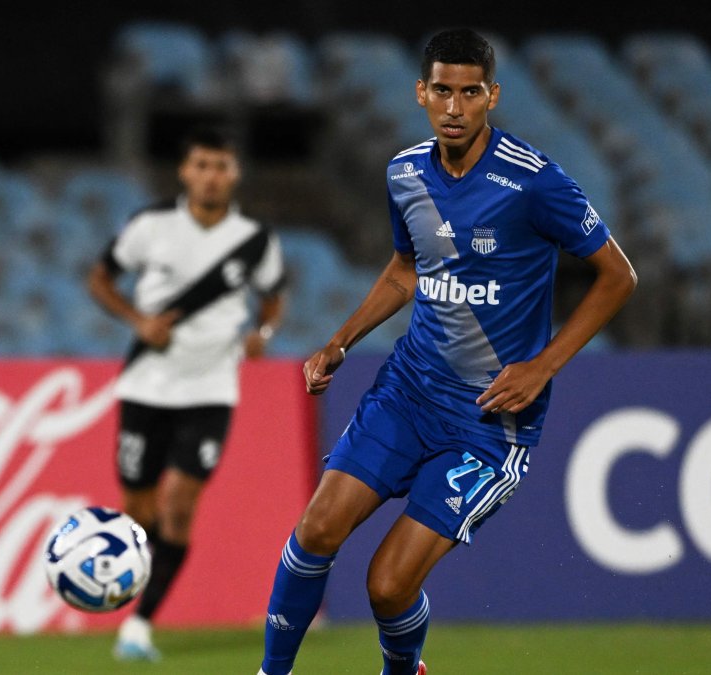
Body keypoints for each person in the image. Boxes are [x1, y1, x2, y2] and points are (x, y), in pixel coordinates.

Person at [257, 28, 637, 675]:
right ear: (421, 93)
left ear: (492, 96)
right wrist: (340, 340)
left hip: (489, 421)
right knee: (316, 529)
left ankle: (403, 668)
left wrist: (544, 365)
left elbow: (618, 276)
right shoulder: (405, 172)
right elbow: (407, 269)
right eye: (442, 91)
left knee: (387, 586)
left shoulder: (533, 181)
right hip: (408, 392)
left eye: (469, 93)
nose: (454, 107)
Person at [86, 127, 287, 661]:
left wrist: (262, 334)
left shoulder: (255, 240)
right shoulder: (151, 226)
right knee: (138, 509)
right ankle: (129, 585)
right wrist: (138, 320)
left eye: (221, 166)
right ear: (185, 171)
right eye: (202, 165)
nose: (211, 176)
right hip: (146, 384)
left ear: (235, 173)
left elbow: (273, 296)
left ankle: (139, 625)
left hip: (211, 389)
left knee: (179, 504)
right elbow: (101, 278)